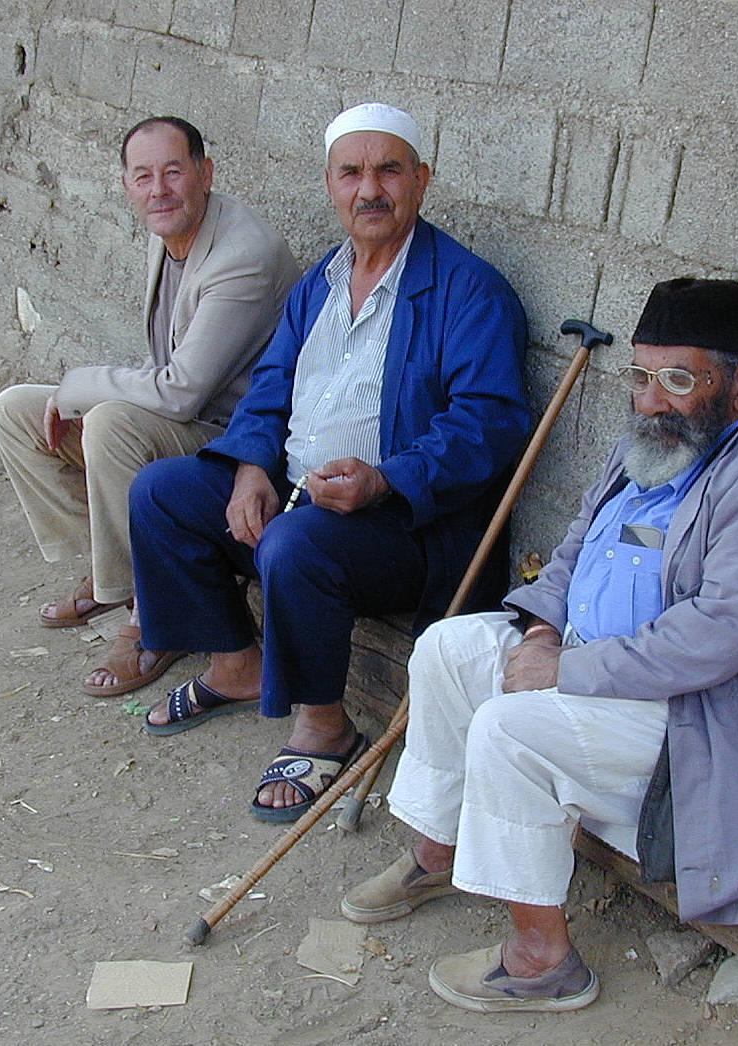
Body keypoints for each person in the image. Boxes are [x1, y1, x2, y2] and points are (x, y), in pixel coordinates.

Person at [339, 278, 738, 1014]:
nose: (651, 398)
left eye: (679, 379)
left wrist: (566, 669)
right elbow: (571, 554)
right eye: (641, 376)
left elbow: (713, 639)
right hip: (610, 678)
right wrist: (545, 630)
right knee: (446, 650)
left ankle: (540, 961)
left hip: (709, 721)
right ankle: (438, 849)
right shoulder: (646, 452)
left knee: (508, 729)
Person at [128, 103, 530, 823]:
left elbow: (488, 424)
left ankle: (324, 726)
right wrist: (251, 464)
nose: (368, 189)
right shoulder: (319, 281)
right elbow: (270, 386)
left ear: (421, 181)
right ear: (330, 183)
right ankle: (235, 662)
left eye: (388, 170)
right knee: (163, 491)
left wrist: (386, 478)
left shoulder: (470, 288)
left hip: (405, 526)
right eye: (351, 172)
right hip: (296, 493)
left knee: (294, 542)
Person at [0, 116, 301, 697]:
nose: (158, 189)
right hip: (187, 418)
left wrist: (82, 384)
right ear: (127, 186)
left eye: (173, 172)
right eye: (143, 176)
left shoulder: (242, 255)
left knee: (108, 424)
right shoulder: (170, 232)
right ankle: (118, 576)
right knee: (15, 411)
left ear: (205, 174)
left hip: (237, 440)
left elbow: (182, 390)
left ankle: (149, 622)